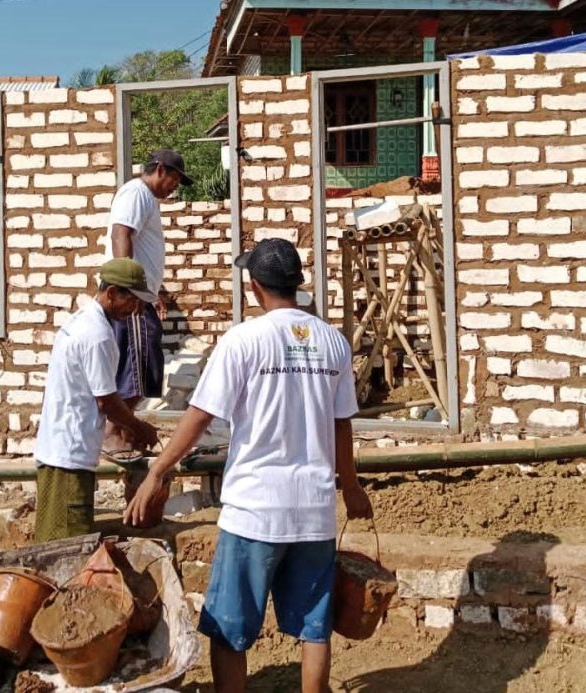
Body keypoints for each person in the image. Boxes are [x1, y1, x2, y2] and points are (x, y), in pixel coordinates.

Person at [123, 239, 374, 693]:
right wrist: (351, 487)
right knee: (314, 627)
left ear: (255, 286)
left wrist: (158, 471)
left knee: (228, 629)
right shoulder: (333, 342)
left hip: (254, 511)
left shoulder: (243, 340)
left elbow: (200, 416)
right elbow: (342, 424)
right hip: (313, 511)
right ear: (297, 285)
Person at [34, 258, 160, 543]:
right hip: (70, 456)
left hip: (58, 449)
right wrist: (139, 428)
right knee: (68, 547)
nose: (136, 309)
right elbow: (107, 401)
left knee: (53, 540)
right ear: (112, 293)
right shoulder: (98, 336)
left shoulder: (81, 321)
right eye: (133, 300)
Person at [104, 149, 194, 454]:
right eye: (175, 180)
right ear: (160, 170)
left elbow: (141, 248)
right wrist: (127, 289)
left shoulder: (145, 198)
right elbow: (121, 235)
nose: (175, 187)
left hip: (139, 296)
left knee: (143, 368)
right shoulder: (137, 193)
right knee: (136, 369)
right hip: (130, 298)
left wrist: (153, 294)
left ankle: (123, 432)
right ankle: (112, 433)